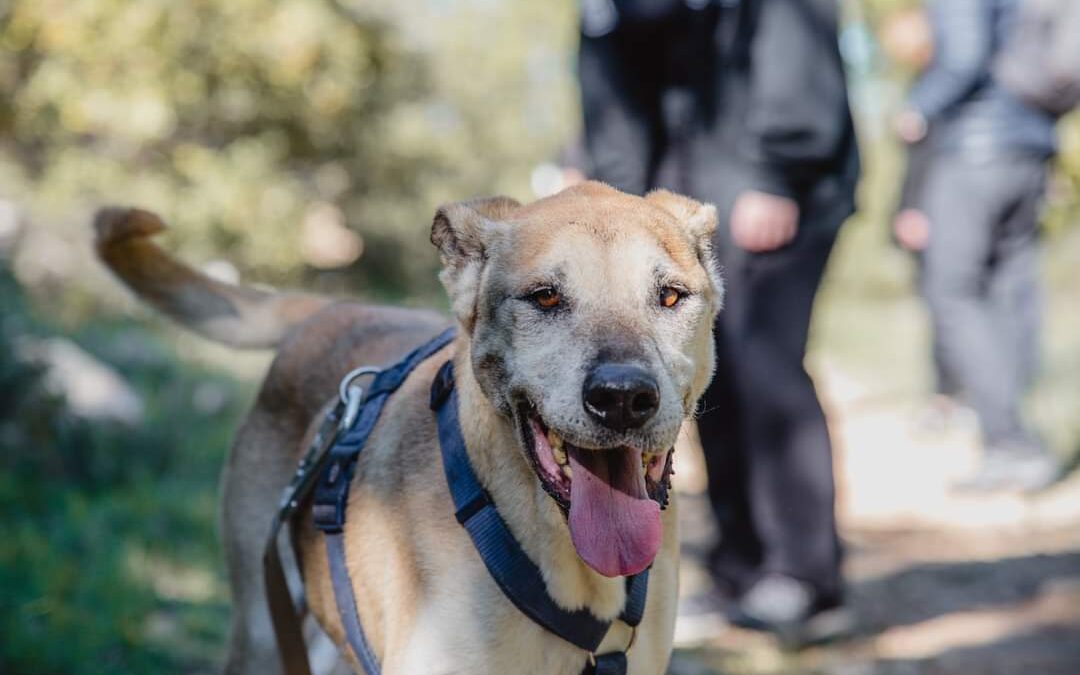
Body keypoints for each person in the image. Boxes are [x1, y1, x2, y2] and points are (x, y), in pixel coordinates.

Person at [579, 0, 859, 644]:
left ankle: (806, 576)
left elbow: (794, 45)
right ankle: (740, 569)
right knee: (705, 375)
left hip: (777, 182)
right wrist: (609, 195)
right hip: (689, 183)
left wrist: (777, 171)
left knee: (764, 366)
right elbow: (610, 89)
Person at [894, 0, 1060, 491]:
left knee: (952, 294)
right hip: (1031, 149)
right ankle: (1018, 433)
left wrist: (918, 107)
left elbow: (964, 55)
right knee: (1009, 292)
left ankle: (1009, 442)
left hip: (975, 151)